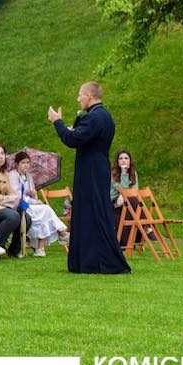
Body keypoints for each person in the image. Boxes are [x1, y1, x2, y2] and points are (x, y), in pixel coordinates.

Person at [49, 83, 131, 274]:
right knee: (90, 214)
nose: (78, 99)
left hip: (91, 171)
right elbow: (82, 137)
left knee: (93, 213)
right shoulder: (103, 116)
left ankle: (103, 261)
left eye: (80, 95)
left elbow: (72, 140)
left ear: (89, 96)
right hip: (95, 168)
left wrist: (57, 122)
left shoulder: (95, 117)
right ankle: (89, 261)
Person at [9, 149, 67, 256]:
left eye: (27, 163)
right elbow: (16, 195)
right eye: (23, 163)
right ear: (17, 164)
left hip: (29, 204)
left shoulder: (29, 176)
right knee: (46, 209)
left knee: (45, 212)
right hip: (18, 205)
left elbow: (33, 197)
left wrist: (34, 193)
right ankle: (61, 233)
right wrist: (34, 201)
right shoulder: (13, 175)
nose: (26, 165)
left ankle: (40, 249)